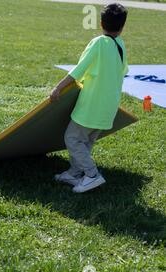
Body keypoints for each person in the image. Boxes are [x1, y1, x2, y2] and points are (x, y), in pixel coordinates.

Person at [50, 3, 129, 193]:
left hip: (92, 105)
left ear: (101, 22)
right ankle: (76, 172)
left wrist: (58, 87)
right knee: (85, 141)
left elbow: (79, 69)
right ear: (122, 26)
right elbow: (123, 71)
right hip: (108, 106)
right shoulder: (121, 45)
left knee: (72, 138)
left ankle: (92, 175)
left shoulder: (99, 42)